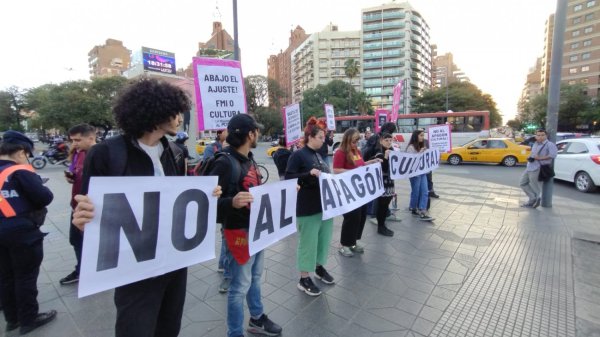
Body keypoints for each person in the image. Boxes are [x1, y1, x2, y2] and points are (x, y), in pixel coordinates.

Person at [72, 78, 222, 337]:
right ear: (156, 112)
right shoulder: (106, 154)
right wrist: (84, 218)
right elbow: (89, 208)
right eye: (175, 112)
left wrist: (207, 196)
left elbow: (176, 201)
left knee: (169, 328)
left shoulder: (175, 151)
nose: (179, 118)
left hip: (174, 261)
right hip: (133, 268)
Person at [208, 113, 282, 337]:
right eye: (256, 130)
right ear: (251, 134)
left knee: (255, 278)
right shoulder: (223, 162)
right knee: (239, 286)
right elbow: (205, 203)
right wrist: (232, 202)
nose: (258, 133)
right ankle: (234, 333)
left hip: (257, 230)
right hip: (238, 233)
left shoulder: (248, 158)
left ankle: (257, 318)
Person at [0, 131, 56, 334]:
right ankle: (29, 320)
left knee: (5, 276)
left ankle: (12, 319)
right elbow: (44, 197)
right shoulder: (20, 170)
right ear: (21, 151)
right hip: (21, 232)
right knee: (25, 276)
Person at [285, 117, 334, 297]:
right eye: (321, 137)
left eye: (323, 137)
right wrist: (308, 174)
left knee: (323, 239)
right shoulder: (298, 155)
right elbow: (289, 177)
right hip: (307, 207)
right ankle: (304, 277)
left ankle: (319, 267)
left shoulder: (319, 155)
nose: (324, 140)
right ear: (311, 137)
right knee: (308, 243)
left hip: (324, 206)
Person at [333, 128, 382, 257]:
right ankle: (343, 244)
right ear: (347, 139)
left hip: (359, 191)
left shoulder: (357, 151)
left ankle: (353, 242)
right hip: (347, 191)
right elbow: (336, 170)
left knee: (360, 216)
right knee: (351, 217)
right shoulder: (340, 153)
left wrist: (371, 162)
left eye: (357, 141)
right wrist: (350, 172)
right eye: (354, 141)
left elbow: (360, 165)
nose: (356, 143)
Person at [59, 124, 96, 286]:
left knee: (91, 242)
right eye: (72, 140)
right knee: (76, 240)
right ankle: (82, 269)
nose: (75, 143)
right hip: (76, 205)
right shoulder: (79, 154)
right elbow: (75, 172)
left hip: (92, 209)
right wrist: (71, 177)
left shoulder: (101, 155)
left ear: (91, 138)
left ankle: (88, 271)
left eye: (78, 140)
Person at [520, 128, 557, 208]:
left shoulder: (549, 144)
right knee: (522, 183)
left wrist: (539, 158)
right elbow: (533, 154)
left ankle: (534, 200)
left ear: (546, 135)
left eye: (542, 135)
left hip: (538, 167)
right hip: (530, 166)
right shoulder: (535, 143)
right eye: (538, 135)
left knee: (534, 184)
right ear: (536, 136)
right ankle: (533, 198)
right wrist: (530, 157)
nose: (540, 137)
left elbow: (553, 155)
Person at [406, 130, 434, 221]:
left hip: (423, 173)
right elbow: (411, 161)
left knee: (425, 191)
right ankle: (413, 208)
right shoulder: (411, 147)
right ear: (416, 136)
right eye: (421, 135)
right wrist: (420, 153)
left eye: (423, 135)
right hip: (414, 173)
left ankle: (423, 210)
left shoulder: (423, 146)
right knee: (416, 191)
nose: (423, 137)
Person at [373, 133, 395, 237]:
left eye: (390, 140)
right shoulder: (379, 154)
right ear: (381, 141)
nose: (389, 142)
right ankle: (380, 226)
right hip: (382, 184)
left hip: (390, 183)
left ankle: (383, 224)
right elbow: (383, 169)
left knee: (386, 205)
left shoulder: (393, 152)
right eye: (386, 140)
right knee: (382, 205)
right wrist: (386, 157)